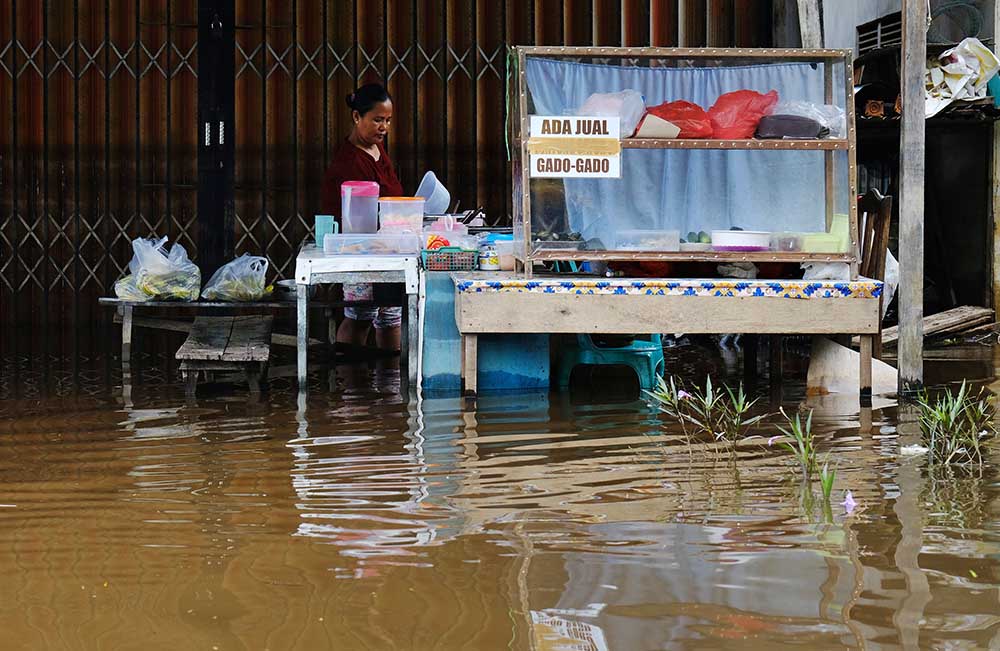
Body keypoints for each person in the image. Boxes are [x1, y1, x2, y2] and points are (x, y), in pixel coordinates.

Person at [321, 83, 405, 352]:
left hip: (386, 248)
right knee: (360, 315)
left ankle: (389, 377)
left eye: (388, 120)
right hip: (360, 249)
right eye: (378, 120)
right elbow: (353, 217)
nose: (384, 127)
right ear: (357, 117)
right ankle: (350, 376)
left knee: (390, 317)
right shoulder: (350, 162)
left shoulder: (377, 149)